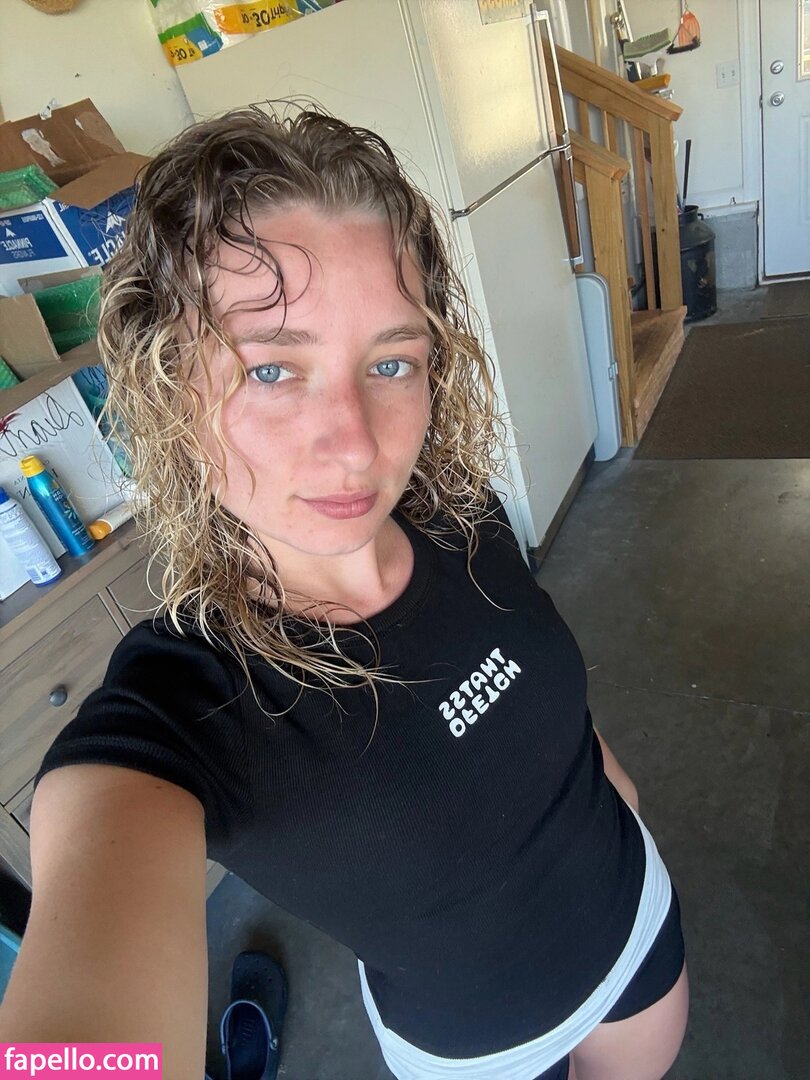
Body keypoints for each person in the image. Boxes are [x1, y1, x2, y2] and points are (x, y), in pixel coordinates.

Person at [0, 106, 688, 1080]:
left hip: (638, 925)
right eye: (273, 369)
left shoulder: (465, 521)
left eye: (391, 362)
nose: (357, 444)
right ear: (168, 389)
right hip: (479, 1051)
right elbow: (85, 1026)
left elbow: (549, 714)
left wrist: (620, 797)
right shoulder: (178, 715)